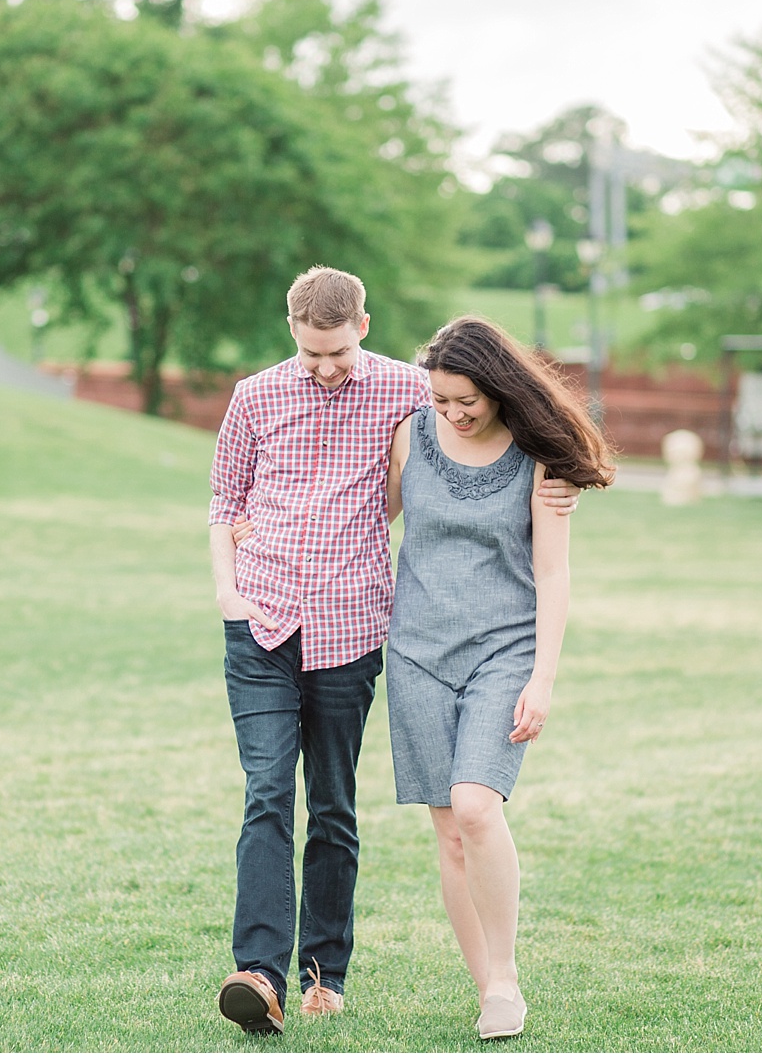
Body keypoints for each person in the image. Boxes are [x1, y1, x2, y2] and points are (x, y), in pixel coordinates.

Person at [207, 268, 580, 1035]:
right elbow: (273, 502)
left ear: (365, 327)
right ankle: (271, 975)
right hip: (334, 633)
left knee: (398, 806)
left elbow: (543, 542)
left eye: (337, 350)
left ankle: (395, 976)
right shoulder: (316, 406)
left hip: (418, 638)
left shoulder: (433, 402)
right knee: (308, 800)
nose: (325, 366)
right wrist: (242, 563)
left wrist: (563, 478)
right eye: (311, 353)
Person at [383, 315, 614, 1040]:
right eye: (441, 398)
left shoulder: (538, 458)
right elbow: (366, 519)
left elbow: (553, 571)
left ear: (498, 387)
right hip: (416, 653)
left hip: (504, 650)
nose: (451, 412)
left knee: (477, 805)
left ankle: (507, 972)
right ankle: (490, 992)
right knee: (449, 835)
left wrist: (543, 676)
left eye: (466, 401)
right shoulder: (409, 437)